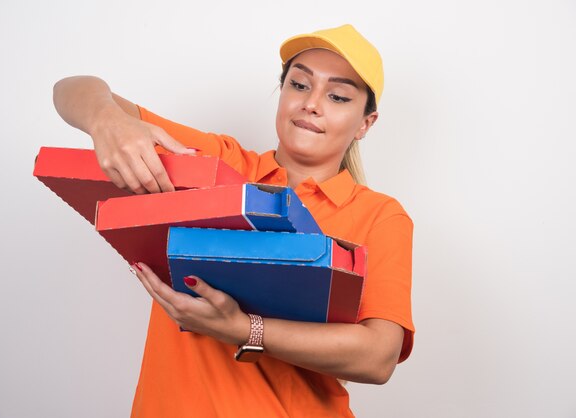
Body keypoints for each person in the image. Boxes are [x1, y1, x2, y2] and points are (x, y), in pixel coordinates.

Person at [53, 24, 414, 418]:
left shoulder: (380, 216)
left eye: (339, 96)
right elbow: (72, 89)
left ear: (365, 123)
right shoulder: (217, 165)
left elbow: (378, 358)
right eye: (299, 85)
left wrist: (243, 329)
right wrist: (106, 120)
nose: (312, 103)